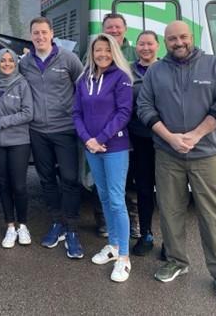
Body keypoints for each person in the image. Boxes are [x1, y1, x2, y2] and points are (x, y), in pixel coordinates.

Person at [137, 21, 216, 303]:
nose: (178, 42)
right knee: (170, 212)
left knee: (213, 215)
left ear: (191, 37)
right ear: (165, 42)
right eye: (172, 38)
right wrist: (169, 137)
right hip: (168, 154)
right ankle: (176, 261)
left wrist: (195, 135)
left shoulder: (215, 65)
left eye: (182, 37)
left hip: (205, 154)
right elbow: (144, 107)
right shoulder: (156, 71)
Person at [19, 16, 85, 259]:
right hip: (37, 130)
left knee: (69, 178)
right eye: (35, 33)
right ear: (31, 35)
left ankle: (72, 228)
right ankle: (56, 222)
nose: (40, 37)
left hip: (65, 128)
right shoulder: (25, 62)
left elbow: (83, 88)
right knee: (46, 178)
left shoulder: (68, 59)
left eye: (44, 32)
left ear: (52, 34)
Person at [73, 33, 133, 282]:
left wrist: (101, 138)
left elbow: (124, 112)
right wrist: (87, 139)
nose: (102, 55)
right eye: (98, 50)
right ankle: (113, 246)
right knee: (104, 196)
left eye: (107, 50)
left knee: (117, 200)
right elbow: (76, 112)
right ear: (92, 52)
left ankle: (125, 258)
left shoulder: (121, 78)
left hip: (114, 146)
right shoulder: (83, 79)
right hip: (92, 147)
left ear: (114, 52)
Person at [94, 12, 140, 239]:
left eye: (117, 27)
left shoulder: (134, 53)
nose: (113, 30)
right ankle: (104, 223)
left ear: (125, 29)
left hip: (129, 128)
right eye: (109, 27)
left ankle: (130, 225)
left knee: (124, 182)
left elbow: (124, 108)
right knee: (102, 184)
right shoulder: (93, 56)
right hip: (100, 135)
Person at [0, 48, 33, 248]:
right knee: (3, 185)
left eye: (10, 60)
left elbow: (28, 113)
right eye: (2, 60)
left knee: (19, 186)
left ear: (15, 63)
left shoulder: (22, 84)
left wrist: (1, 123)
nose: (6, 64)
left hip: (19, 142)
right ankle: (10, 226)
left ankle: (23, 225)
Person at [128, 31, 159, 256]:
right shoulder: (127, 70)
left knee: (170, 193)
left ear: (158, 46)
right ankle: (146, 235)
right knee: (144, 189)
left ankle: (171, 243)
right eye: (141, 44)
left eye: (149, 43)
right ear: (136, 47)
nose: (145, 48)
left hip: (165, 140)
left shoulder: (167, 68)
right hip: (139, 139)